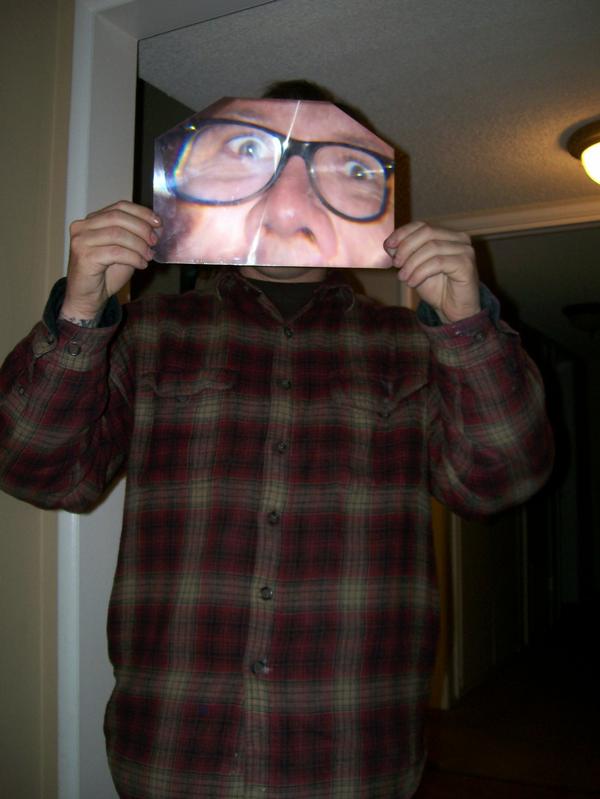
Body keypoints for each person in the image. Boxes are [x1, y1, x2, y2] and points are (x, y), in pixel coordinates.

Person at [0, 80, 553, 799]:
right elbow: (35, 468)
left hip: (356, 749)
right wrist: (79, 313)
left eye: (343, 166)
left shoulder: (414, 345)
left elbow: (500, 481)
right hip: (173, 746)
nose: (289, 199)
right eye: (251, 155)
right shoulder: (146, 333)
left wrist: (466, 327)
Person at [153, 95, 396, 269]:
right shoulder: (152, 321)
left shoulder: (396, 327)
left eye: (356, 171)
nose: (286, 214)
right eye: (248, 148)